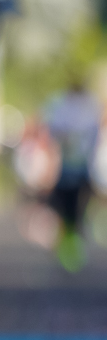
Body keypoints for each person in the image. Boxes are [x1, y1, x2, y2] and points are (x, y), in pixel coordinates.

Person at [42, 77, 101, 272]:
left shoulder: (71, 108)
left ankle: (71, 249)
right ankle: (70, 249)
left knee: (72, 212)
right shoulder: (84, 109)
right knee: (72, 212)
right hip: (73, 170)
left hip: (73, 170)